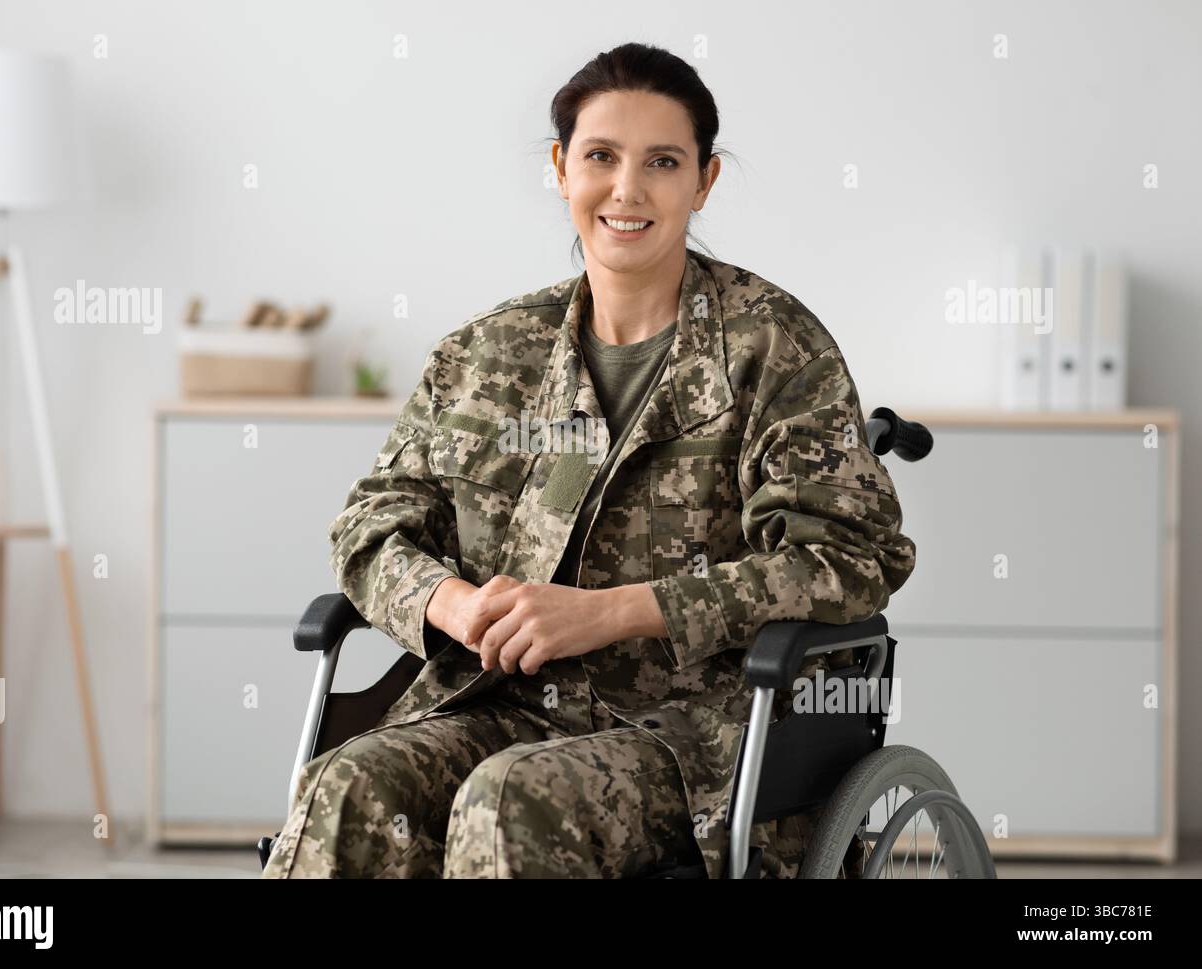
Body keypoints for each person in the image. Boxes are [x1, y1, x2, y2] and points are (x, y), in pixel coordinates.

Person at [262, 41, 915, 879]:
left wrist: (611, 611)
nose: (627, 189)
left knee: (507, 801)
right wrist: (454, 606)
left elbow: (850, 557)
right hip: (495, 701)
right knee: (347, 783)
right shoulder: (487, 353)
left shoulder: (774, 349)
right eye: (601, 156)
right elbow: (372, 523)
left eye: (663, 162)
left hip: (695, 734)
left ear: (703, 181)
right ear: (561, 168)